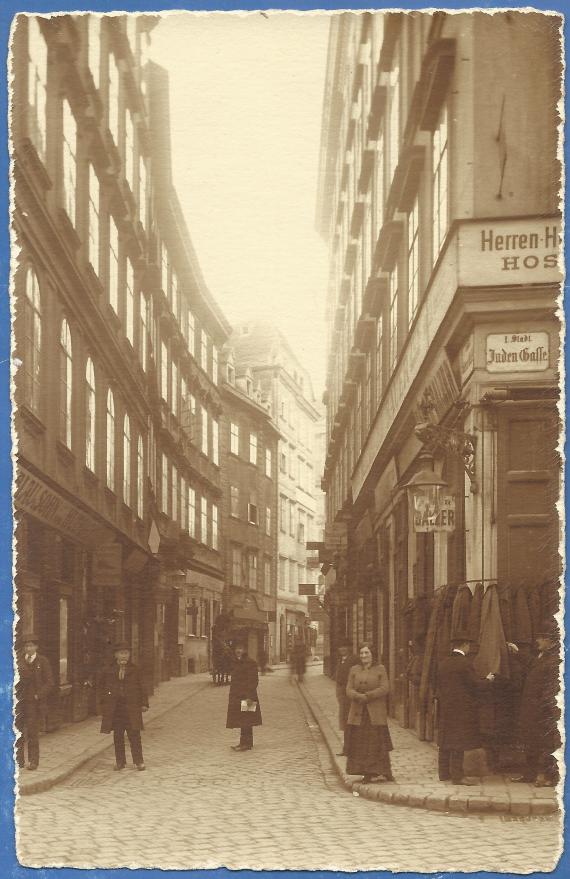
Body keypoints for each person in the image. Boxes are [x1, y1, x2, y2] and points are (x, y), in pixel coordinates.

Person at [437, 634, 495, 786]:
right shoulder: (465, 663)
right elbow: (475, 684)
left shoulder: (443, 663)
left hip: (445, 707)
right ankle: (458, 777)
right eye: (468, 645)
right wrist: (488, 679)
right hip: (461, 710)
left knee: (445, 740)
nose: (469, 648)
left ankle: (443, 774)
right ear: (464, 645)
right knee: (458, 741)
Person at [511, 621, 561, 787]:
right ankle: (529, 774)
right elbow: (531, 664)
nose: (537, 641)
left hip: (542, 711)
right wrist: (517, 653)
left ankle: (550, 778)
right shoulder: (542, 656)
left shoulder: (554, 659)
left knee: (546, 745)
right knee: (530, 742)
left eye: (541, 638)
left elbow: (551, 688)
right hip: (531, 709)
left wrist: (543, 708)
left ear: (550, 641)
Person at [346, 643, 394, 784]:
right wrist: (356, 696)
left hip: (375, 713)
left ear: (372, 654)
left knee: (376, 742)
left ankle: (381, 771)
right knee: (361, 743)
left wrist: (369, 695)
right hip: (358, 712)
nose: (363, 656)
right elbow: (348, 689)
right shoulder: (354, 670)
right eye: (361, 653)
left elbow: (385, 688)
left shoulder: (380, 669)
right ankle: (365, 772)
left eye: (366, 653)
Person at [100, 641, 149, 771]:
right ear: (116, 655)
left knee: (134, 735)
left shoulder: (135, 669)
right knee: (118, 735)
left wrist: (144, 703)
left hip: (132, 707)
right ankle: (120, 762)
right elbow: (102, 688)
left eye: (126, 653)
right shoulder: (109, 670)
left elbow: (142, 687)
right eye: (121, 653)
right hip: (116, 708)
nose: (124, 656)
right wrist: (103, 705)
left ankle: (139, 761)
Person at [15, 633, 54, 771]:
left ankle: (33, 761)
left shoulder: (42, 661)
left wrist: (38, 695)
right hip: (20, 702)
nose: (28, 648)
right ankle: (19, 761)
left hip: (34, 703)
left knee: (32, 732)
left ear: (36, 647)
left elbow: (50, 682)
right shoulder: (19, 661)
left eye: (31, 645)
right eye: (26, 646)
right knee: (18, 732)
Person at [226, 640, 262, 751]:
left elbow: (254, 680)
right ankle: (244, 743)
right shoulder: (235, 662)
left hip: (248, 695)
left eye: (241, 648)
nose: (238, 651)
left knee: (247, 720)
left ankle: (246, 744)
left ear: (245, 650)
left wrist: (248, 695)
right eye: (237, 648)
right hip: (238, 696)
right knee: (242, 720)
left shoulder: (250, 663)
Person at [335, 638, 359, 757]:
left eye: (345, 647)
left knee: (351, 722)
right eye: (340, 647)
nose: (342, 649)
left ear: (349, 648)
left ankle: (351, 749)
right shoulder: (341, 660)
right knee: (345, 722)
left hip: (350, 694)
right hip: (342, 695)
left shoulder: (354, 660)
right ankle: (347, 749)